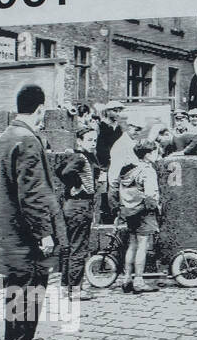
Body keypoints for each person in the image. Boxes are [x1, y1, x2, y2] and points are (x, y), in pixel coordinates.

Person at [0, 84, 62, 340]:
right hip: (26, 231)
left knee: (15, 287)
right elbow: (32, 194)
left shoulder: (7, 136)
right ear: (40, 109)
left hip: (10, 229)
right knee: (32, 287)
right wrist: (44, 233)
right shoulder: (29, 140)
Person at [110, 139, 160, 293]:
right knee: (142, 246)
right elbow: (150, 195)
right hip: (144, 212)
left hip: (131, 212)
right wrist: (156, 206)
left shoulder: (128, 169)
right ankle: (138, 280)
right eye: (155, 152)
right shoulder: (147, 170)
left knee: (132, 245)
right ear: (148, 154)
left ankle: (126, 279)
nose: (157, 154)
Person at [59, 119, 98, 302]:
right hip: (80, 206)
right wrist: (76, 186)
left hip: (72, 206)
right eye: (89, 140)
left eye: (94, 140)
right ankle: (75, 290)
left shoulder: (75, 155)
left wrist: (71, 188)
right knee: (79, 248)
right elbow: (65, 173)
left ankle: (66, 287)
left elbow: (58, 169)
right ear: (79, 141)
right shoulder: (79, 157)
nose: (93, 143)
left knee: (70, 248)